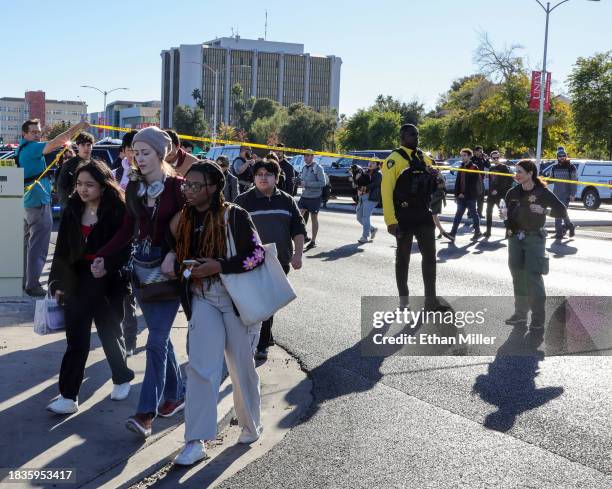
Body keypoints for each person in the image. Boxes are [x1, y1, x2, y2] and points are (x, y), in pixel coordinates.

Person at [167, 161, 266, 465]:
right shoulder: (183, 218)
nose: (188, 190)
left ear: (213, 188)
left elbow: (257, 255)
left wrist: (220, 266)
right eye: (186, 184)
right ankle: (195, 441)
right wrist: (178, 263)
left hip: (235, 299)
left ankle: (250, 425)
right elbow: (179, 251)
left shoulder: (233, 215)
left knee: (240, 367)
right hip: (202, 298)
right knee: (200, 369)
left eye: (195, 185)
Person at [91, 126, 186, 438]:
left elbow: (191, 230)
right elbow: (126, 229)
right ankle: (176, 393)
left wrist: (175, 253)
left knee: (155, 341)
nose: (139, 158)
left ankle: (145, 414)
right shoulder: (133, 186)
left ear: (161, 154)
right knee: (162, 339)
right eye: (136, 152)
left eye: (146, 152)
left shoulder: (179, 188)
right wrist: (102, 255)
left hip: (170, 272)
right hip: (141, 271)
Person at [46, 160, 135, 414]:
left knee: (110, 333)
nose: (83, 190)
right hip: (77, 280)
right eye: (79, 184)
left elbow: (127, 246)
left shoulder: (118, 209)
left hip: (109, 280)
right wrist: (58, 282)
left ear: (103, 185)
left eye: (89, 185)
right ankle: (68, 395)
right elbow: (62, 247)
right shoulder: (72, 208)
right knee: (76, 338)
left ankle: (121, 377)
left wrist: (108, 264)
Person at [235, 159, 305, 360]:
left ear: (276, 177)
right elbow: (231, 230)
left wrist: (298, 254)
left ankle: (263, 339)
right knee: (257, 302)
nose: (263, 178)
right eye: (259, 174)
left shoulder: (287, 200)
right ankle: (262, 340)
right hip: (251, 261)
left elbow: (298, 229)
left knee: (270, 302)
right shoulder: (243, 201)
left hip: (280, 260)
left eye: (268, 174)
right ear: (254, 177)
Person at [18, 118, 90, 297]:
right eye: (33, 132)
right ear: (24, 134)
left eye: (38, 132)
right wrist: (79, 126)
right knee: (38, 247)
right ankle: (33, 284)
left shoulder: (22, 149)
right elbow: (60, 139)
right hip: (38, 203)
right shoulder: (32, 147)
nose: (37, 135)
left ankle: (24, 281)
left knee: (27, 246)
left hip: (27, 203)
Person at [381, 124, 447, 311]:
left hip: (424, 216)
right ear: (402, 137)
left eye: (417, 134)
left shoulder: (424, 157)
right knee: (403, 259)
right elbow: (386, 192)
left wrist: (437, 179)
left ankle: (431, 301)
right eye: (412, 135)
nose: (416, 137)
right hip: (403, 217)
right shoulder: (393, 160)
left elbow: (436, 183)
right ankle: (404, 300)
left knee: (430, 258)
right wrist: (390, 221)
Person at [502, 159, 567, 332]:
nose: (517, 175)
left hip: (534, 239)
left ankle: (538, 319)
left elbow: (562, 210)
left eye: (520, 172)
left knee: (533, 278)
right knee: (517, 276)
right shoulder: (512, 192)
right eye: (516, 171)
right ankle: (520, 314)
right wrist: (504, 217)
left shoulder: (542, 192)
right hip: (515, 238)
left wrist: (545, 211)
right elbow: (506, 214)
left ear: (530, 173)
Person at [112, 129, 139, 356]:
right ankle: (125, 341)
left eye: (139, 150)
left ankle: (130, 339)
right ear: (124, 151)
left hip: (143, 240)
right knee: (123, 295)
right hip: (120, 238)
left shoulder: (151, 174)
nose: (134, 154)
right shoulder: (115, 173)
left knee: (136, 295)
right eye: (131, 149)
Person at [448, 148, 483, 241]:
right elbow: (458, 183)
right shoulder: (461, 167)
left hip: (470, 196)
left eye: (464, 155)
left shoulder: (474, 168)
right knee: (458, 215)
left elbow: (474, 184)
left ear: (469, 156)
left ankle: (477, 232)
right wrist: (457, 195)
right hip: (460, 197)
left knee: (474, 214)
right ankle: (452, 233)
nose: (462, 157)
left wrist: (464, 194)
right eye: (461, 155)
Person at [56, 131, 95, 210]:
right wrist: (67, 208)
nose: (86, 148)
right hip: (73, 207)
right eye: (83, 145)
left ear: (92, 146)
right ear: (77, 146)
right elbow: (61, 188)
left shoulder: (96, 164)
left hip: (91, 207)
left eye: (88, 145)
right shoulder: (69, 165)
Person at [298, 150, 326, 251]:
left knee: (314, 218)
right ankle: (303, 236)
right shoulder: (304, 167)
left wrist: (306, 184)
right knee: (298, 216)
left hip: (315, 197)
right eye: (305, 156)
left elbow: (323, 183)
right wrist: (297, 181)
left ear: (312, 157)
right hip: (304, 196)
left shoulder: (318, 168)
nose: (306, 158)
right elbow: (302, 181)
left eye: (308, 156)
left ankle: (313, 241)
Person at [549, 147, 577, 240]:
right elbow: (551, 179)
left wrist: (573, 194)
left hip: (566, 194)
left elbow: (574, 182)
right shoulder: (554, 167)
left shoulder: (571, 167)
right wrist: (541, 180)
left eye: (563, 155)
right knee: (558, 213)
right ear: (557, 157)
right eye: (560, 156)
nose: (562, 157)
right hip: (556, 194)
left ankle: (567, 227)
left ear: (566, 156)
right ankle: (561, 232)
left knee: (561, 212)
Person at [484, 150, 513, 238]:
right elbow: (490, 181)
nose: (496, 159)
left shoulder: (504, 168)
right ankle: (488, 232)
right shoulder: (491, 168)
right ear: (491, 159)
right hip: (491, 195)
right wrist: (489, 191)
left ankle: (508, 231)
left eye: (497, 157)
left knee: (503, 213)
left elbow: (509, 181)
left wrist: (499, 190)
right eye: (494, 158)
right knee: (488, 212)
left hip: (501, 195)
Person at [355, 160, 382, 244]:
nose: (370, 164)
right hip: (362, 197)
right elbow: (358, 183)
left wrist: (364, 187)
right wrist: (357, 179)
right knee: (359, 217)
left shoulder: (378, 174)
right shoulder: (365, 172)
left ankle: (364, 237)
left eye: (373, 163)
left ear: (377, 165)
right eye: (370, 162)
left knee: (365, 217)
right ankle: (372, 229)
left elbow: (376, 184)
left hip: (371, 198)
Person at [430, 170, 454, 241]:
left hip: (436, 196)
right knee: (433, 216)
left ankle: (440, 231)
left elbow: (441, 184)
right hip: (436, 195)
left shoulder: (435, 172)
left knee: (433, 215)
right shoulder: (436, 172)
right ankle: (440, 231)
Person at [472, 145, 490, 219]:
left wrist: (487, 159)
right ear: (475, 152)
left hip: (480, 181)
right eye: (479, 151)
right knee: (473, 198)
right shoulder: (472, 159)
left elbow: (488, 166)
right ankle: (471, 213)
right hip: (473, 181)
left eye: (481, 151)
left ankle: (479, 213)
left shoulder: (482, 159)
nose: (481, 153)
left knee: (481, 198)